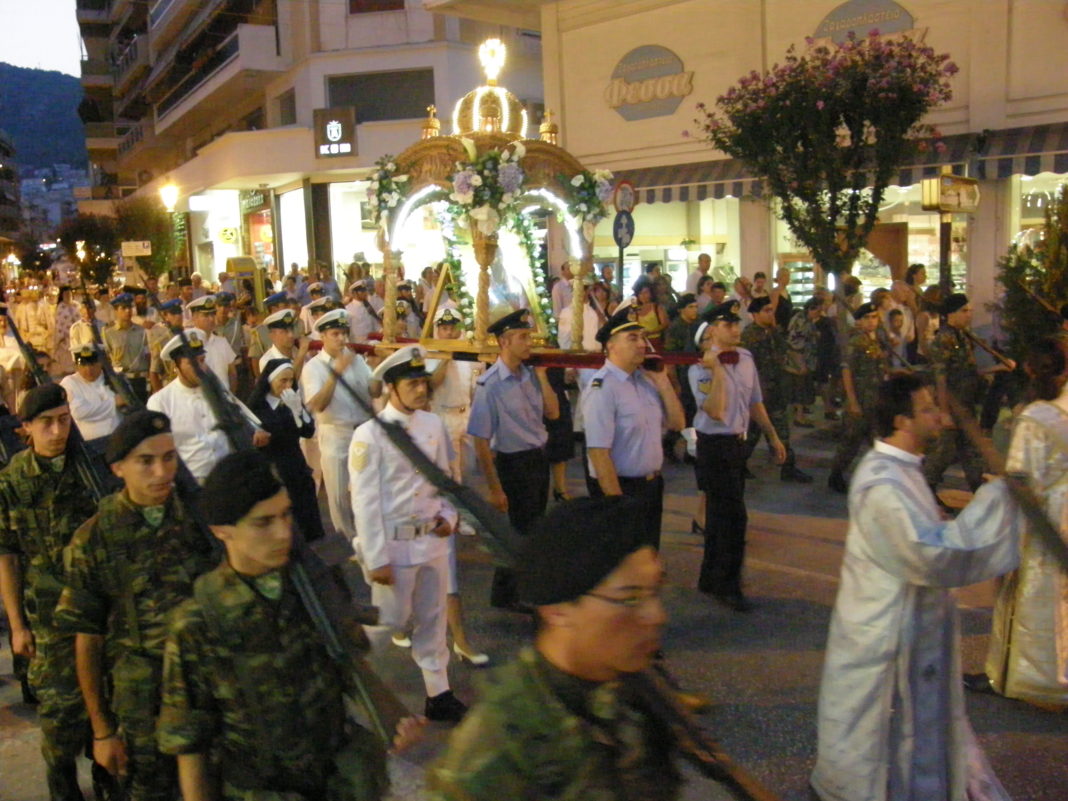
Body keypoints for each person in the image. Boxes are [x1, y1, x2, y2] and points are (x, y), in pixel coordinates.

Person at [157, 451, 417, 800]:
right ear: (222, 531)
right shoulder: (197, 622)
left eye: (285, 514)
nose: (283, 533)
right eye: (263, 522)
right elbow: (191, 743)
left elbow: (348, 661)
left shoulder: (309, 587)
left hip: (340, 781)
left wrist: (392, 714)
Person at [811, 373, 1020, 801]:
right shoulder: (881, 483)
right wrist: (997, 501)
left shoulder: (903, 470)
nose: (940, 417)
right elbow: (928, 553)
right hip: (886, 636)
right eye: (928, 409)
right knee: (883, 746)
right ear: (902, 420)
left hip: (908, 628)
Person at [429, 496, 683, 801]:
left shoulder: (632, 686)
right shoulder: (498, 747)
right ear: (558, 610)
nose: (657, 615)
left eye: (656, 591)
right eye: (630, 599)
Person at [55, 410, 220, 801]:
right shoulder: (94, 539)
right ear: (118, 468)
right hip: (144, 708)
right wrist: (102, 731)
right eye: (146, 461)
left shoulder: (201, 520)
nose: (161, 472)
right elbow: (88, 641)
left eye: (169, 457)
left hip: (210, 692)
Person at [350, 346, 467, 722]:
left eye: (423, 382)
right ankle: (350, 673)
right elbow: (365, 501)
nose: (421, 390)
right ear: (391, 388)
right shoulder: (370, 434)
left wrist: (450, 515)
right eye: (411, 384)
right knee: (390, 621)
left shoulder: (433, 425)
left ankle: (439, 693)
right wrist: (376, 557)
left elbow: (445, 478)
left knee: (433, 619)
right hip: (395, 545)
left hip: (432, 539)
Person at [0, 385, 100, 800]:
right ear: (25, 428)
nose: (57, 431)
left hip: (99, 611)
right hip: (48, 619)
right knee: (60, 719)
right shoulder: (12, 481)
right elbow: (6, 555)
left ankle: (109, 783)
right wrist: (17, 626)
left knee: (107, 712)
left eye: (63, 420)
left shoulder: (91, 469)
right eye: (46, 423)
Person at [971, 338, 1068, 708]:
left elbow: (1020, 478)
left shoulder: (1035, 417)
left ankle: (1025, 677)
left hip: (1043, 518)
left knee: (1031, 594)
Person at [690, 302, 786, 611]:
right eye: (728, 324)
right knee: (732, 517)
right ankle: (727, 585)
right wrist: (717, 368)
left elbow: (755, 401)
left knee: (721, 514)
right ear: (711, 331)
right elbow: (715, 411)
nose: (736, 329)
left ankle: (710, 576)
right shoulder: (699, 367)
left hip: (737, 444)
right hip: (714, 445)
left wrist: (772, 435)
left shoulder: (745, 358)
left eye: (736, 323)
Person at [468, 309, 559, 611]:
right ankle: (514, 592)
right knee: (520, 530)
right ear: (504, 342)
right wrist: (494, 488)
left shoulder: (530, 375)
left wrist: (543, 377)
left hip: (538, 459)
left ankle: (509, 591)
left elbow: (553, 412)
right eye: (522, 337)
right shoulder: (490, 384)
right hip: (514, 464)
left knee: (532, 528)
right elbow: (480, 440)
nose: (529, 342)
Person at [583, 306, 685, 548]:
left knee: (647, 553)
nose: (642, 344)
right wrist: (618, 505)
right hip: (621, 488)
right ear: (611, 346)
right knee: (622, 558)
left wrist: (663, 381)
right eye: (632, 338)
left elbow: (677, 423)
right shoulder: (603, 388)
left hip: (651, 486)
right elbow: (598, 453)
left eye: (642, 337)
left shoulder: (646, 380)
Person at [147, 330, 268, 483]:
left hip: (229, 474)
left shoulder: (215, 389)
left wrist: (255, 430)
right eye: (192, 363)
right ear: (176, 366)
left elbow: (238, 411)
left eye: (202, 360)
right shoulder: (160, 401)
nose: (200, 368)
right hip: (194, 480)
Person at [924, 293, 1015, 496]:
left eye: (970, 311)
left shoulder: (964, 337)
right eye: (964, 311)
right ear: (951, 314)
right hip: (951, 405)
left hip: (965, 404)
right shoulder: (943, 339)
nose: (969, 315)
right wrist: (944, 412)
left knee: (972, 451)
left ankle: (980, 492)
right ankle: (926, 492)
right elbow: (940, 378)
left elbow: (970, 371)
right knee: (941, 454)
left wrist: (998, 368)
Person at [301, 308, 373, 541]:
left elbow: (373, 390)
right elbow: (318, 404)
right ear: (322, 336)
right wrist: (336, 373)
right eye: (335, 334)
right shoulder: (313, 367)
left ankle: (367, 535)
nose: (341, 339)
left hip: (361, 431)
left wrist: (381, 368)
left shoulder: (356, 360)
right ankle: (346, 539)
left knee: (366, 488)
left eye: (344, 333)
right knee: (338, 494)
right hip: (335, 433)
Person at [247, 358, 325, 542]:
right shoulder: (257, 406)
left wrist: (298, 411)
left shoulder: (292, 400)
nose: (288, 385)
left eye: (291, 380)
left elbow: (308, 431)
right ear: (270, 381)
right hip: (274, 469)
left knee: (307, 517)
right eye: (283, 380)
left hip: (296, 465)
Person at [741, 297, 812, 483]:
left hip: (776, 391)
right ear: (755, 314)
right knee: (753, 433)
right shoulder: (749, 336)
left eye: (771, 310)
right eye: (766, 311)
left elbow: (783, 353)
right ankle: (739, 465)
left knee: (780, 432)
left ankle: (787, 467)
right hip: (758, 394)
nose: (770, 314)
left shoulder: (773, 332)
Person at [828, 303, 888, 493]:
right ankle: (836, 475)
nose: (871, 321)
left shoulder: (874, 340)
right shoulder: (855, 342)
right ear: (859, 321)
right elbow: (847, 371)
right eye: (867, 318)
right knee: (851, 441)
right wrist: (852, 401)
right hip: (860, 399)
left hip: (874, 398)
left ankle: (880, 477)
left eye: (874, 317)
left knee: (878, 440)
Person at [59, 344, 121, 447]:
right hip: (89, 446)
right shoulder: (70, 383)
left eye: (92, 364)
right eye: (83, 365)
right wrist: (113, 403)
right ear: (76, 366)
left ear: (101, 362)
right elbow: (79, 412)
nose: (88, 369)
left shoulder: (115, 379)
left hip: (118, 441)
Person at [102, 292, 150, 403]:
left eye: (130, 307)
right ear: (116, 311)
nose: (128, 311)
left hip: (140, 381)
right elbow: (106, 359)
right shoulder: (108, 333)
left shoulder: (141, 331)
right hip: (121, 381)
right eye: (123, 308)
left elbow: (148, 355)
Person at [187, 294, 239, 392]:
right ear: (194, 317)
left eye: (212, 314)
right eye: (206, 315)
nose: (211, 319)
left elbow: (232, 373)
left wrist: (231, 396)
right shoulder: (187, 345)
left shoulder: (222, 342)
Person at [786, 296, 822, 427]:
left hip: (805, 358)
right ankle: (799, 417)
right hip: (799, 360)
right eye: (818, 311)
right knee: (799, 389)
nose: (819, 314)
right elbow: (795, 345)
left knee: (802, 388)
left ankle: (800, 414)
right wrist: (801, 364)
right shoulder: (801, 322)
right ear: (811, 309)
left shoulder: (807, 320)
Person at [258, 307, 310, 379]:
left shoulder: (298, 349)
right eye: (285, 332)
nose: (291, 335)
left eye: (292, 329)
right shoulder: (268, 361)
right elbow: (288, 381)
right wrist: (301, 354)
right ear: (272, 335)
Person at [631, 276, 669, 347]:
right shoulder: (634, 309)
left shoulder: (656, 307)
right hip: (640, 342)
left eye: (646, 292)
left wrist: (650, 332)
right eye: (640, 293)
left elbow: (665, 324)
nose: (643, 296)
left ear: (651, 293)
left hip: (655, 342)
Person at [52, 286, 79, 374]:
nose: (68, 296)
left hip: (77, 337)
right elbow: (58, 323)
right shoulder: (60, 307)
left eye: (69, 294)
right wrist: (60, 338)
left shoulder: (77, 305)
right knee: (67, 361)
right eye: (65, 294)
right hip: (65, 339)